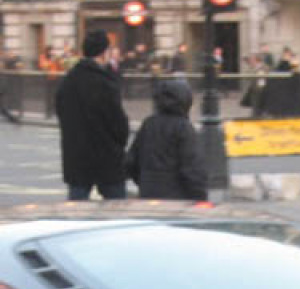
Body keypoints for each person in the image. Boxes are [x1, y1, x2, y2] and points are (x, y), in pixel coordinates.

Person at [55, 29, 130, 201]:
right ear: (104, 52)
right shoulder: (105, 82)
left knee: (77, 207)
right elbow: (118, 121)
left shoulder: (69, 80)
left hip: (76, 153)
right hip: (107, 154)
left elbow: (60, 110)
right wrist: (119, 142)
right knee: (117, 207)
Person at [126, 79, 207, 202]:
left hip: (148, 193)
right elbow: (192, 168)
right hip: (177, 196)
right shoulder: (183, 127)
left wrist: (145, 181)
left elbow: (131, 161)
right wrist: (200, 196)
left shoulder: (149, 124)